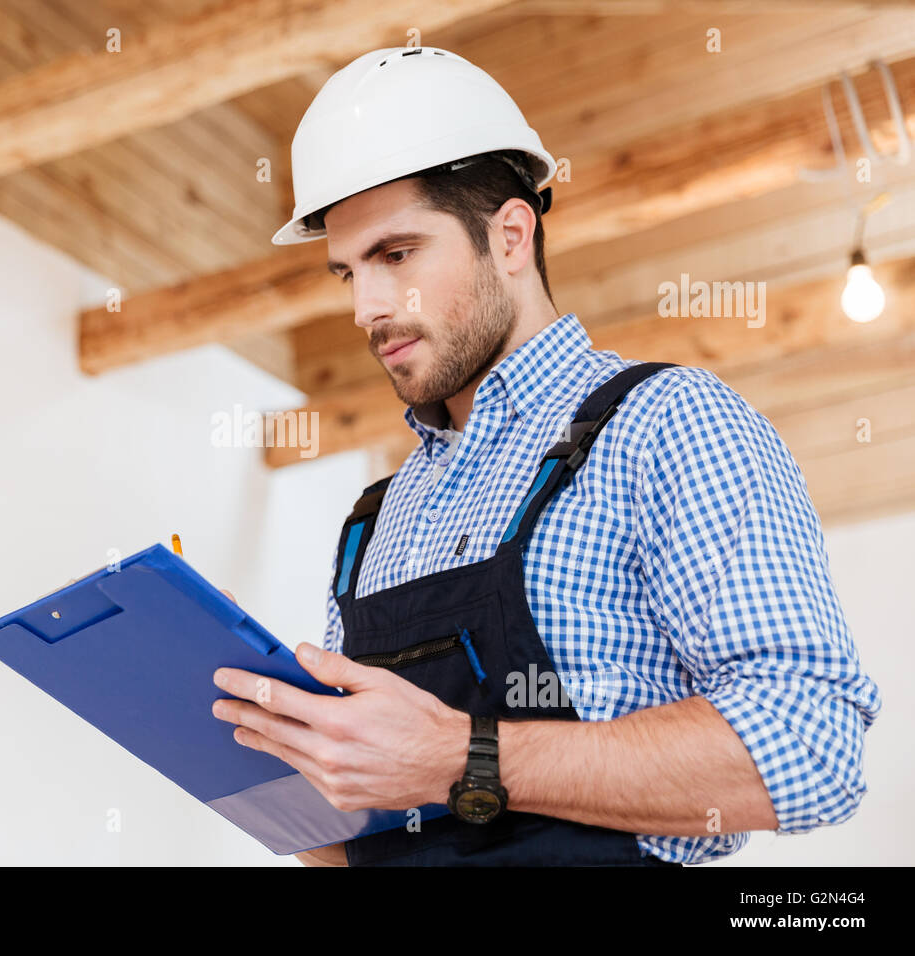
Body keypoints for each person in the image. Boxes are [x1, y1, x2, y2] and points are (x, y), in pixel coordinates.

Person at [209, 46, 881, 866]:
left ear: (511, 236)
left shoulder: (667, 424)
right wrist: (279, 773)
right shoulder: (376, 519)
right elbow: (359, 838)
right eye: (347, 272)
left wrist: (462, 758)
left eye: (396, 256)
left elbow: (812, 746)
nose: (366, 308)